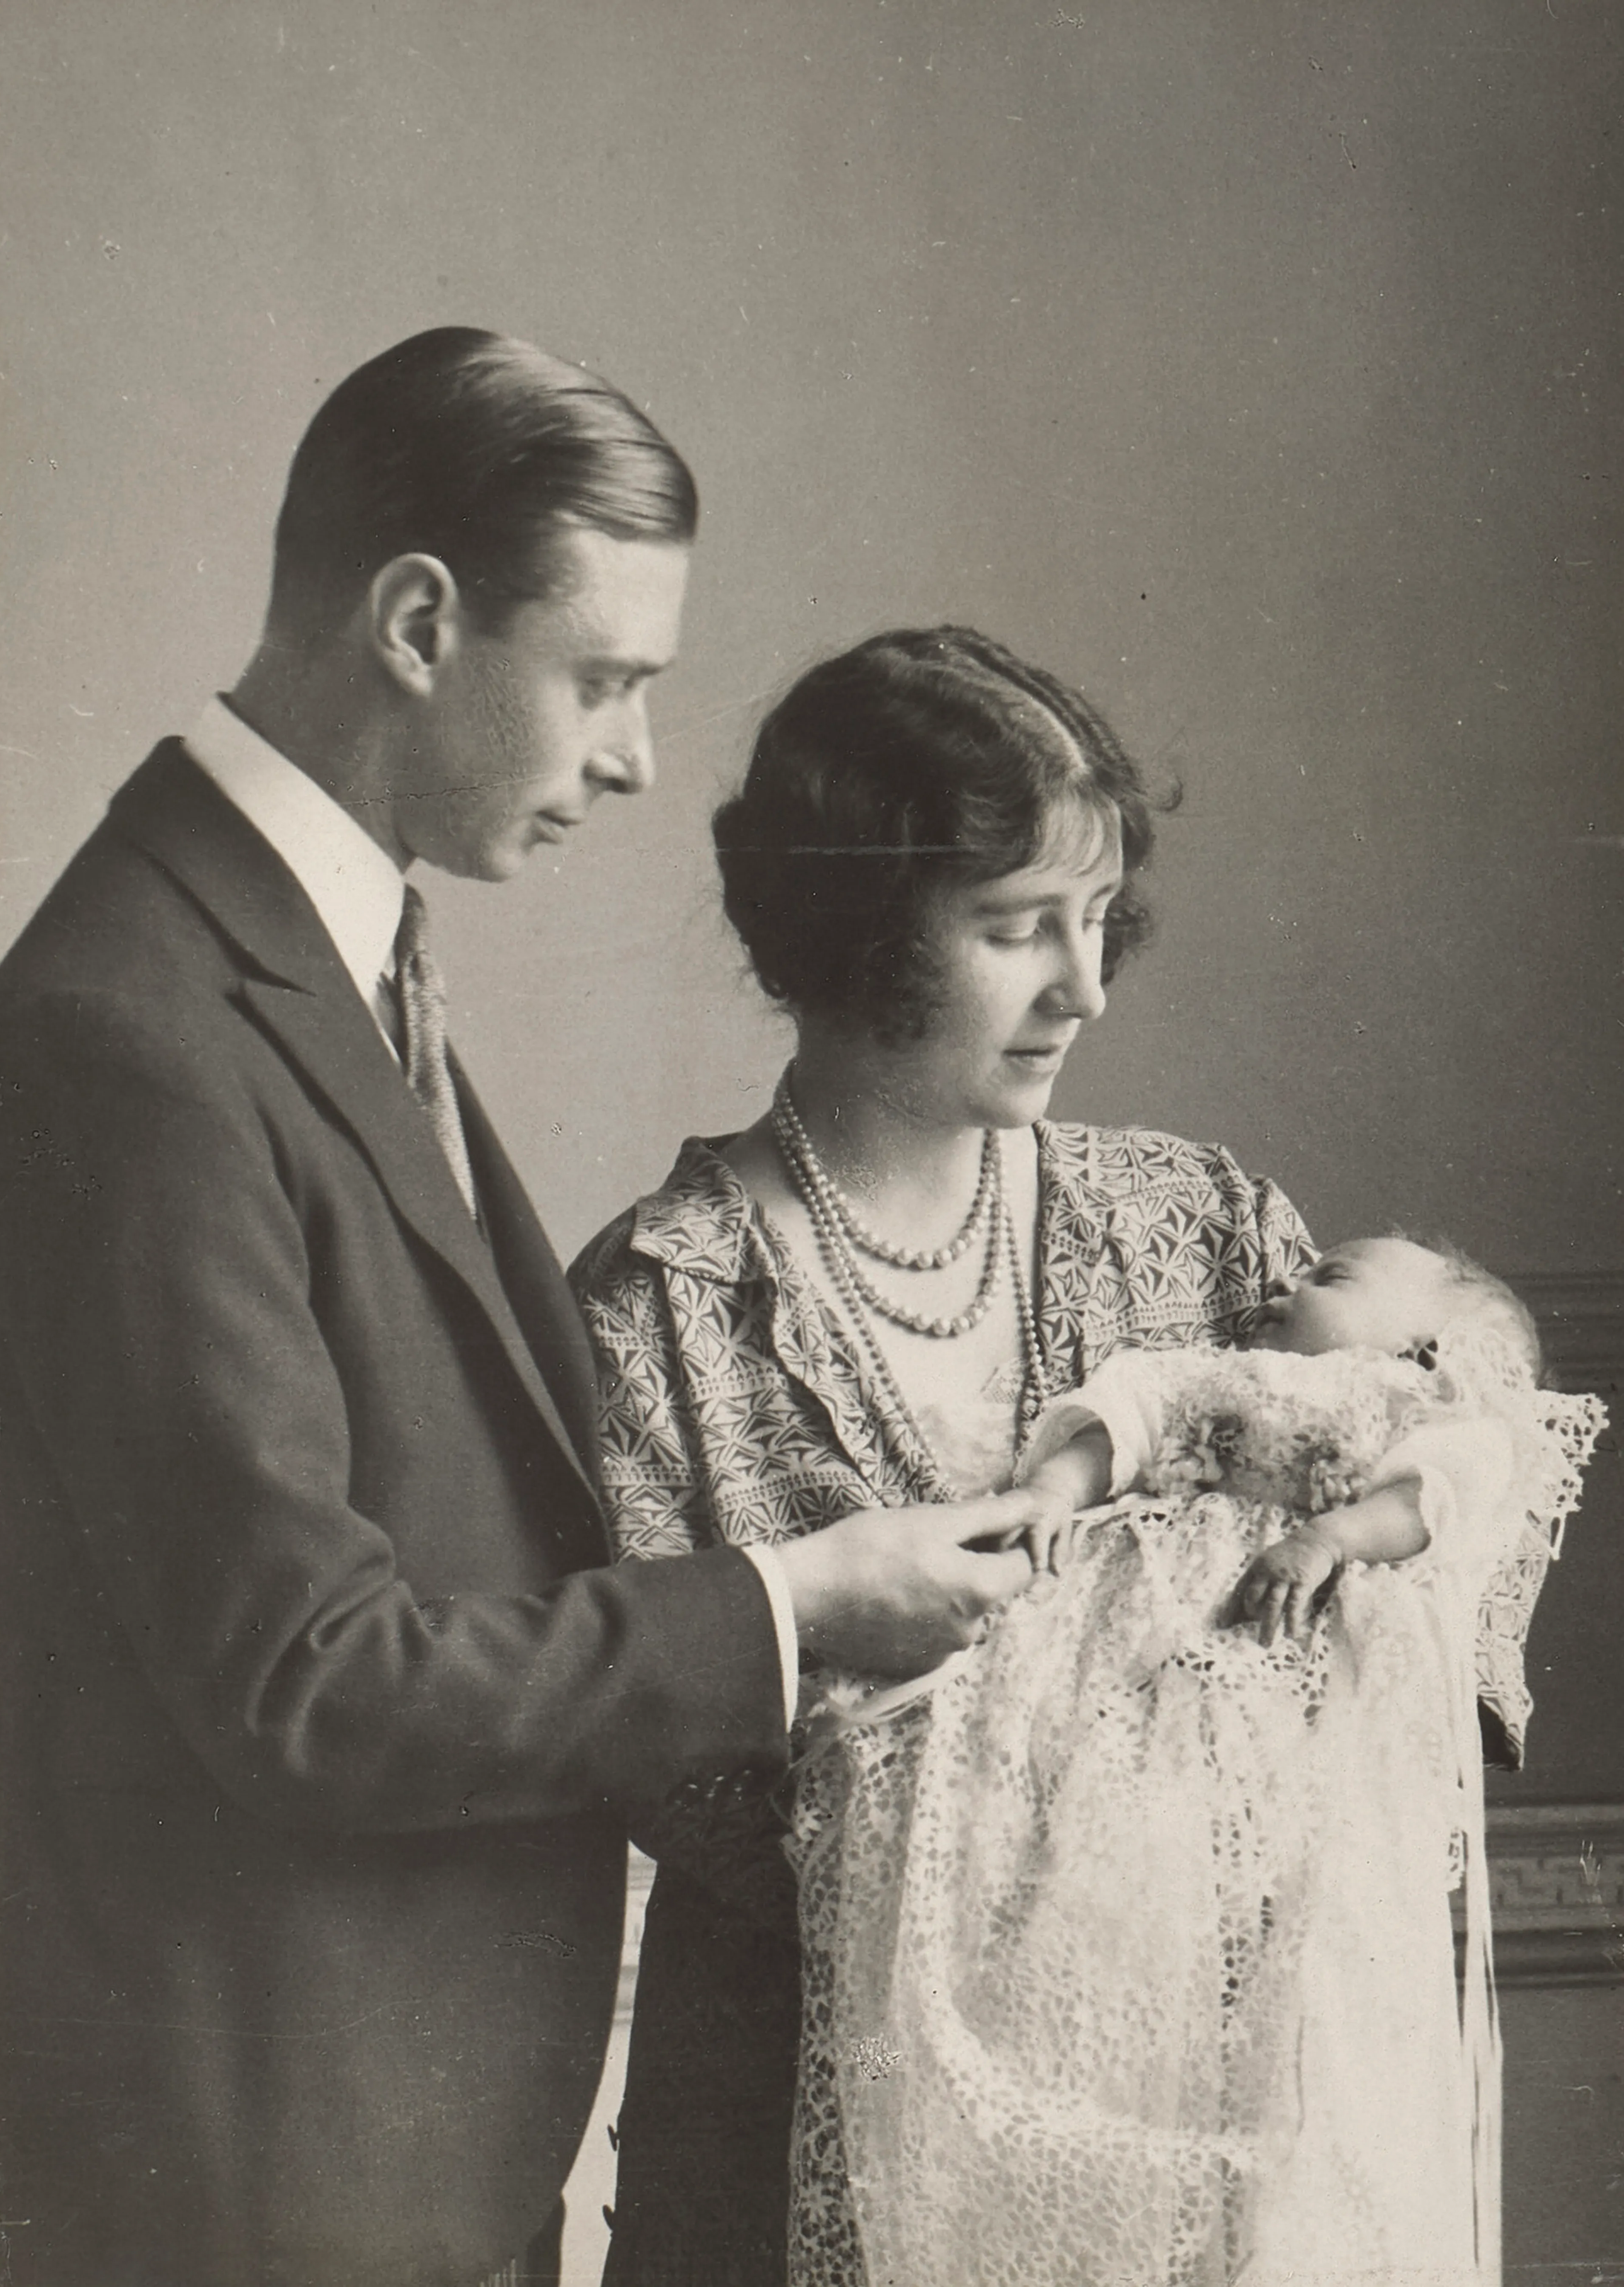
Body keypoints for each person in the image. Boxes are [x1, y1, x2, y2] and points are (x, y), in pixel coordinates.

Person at [0, 337, 1035, 2287]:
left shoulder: (311, 957)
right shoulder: (131, 1025)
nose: (634, 756)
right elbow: (306, 1679)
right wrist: (790, 1606)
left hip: (394, 2156)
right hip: (261, 2189)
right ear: (416, 623)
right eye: (605, 680)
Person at [571, 624, 1324, 2286]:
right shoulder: (658, 1312)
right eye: (1015, 926)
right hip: (794, 2152)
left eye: (1097, 915)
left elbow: (1401, 1613)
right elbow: (670, 1771)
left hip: (1175, 2148)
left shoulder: (1207, 1228)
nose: (1086, 985)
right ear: (856, 930)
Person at [791, 1237, 1605, 2286]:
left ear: (1428, 1350)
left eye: (1332, 1278)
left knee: (1245, 1972)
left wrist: (1329, 1540)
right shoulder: (1225, 1374)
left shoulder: (1423, 1412)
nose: (1282, 1281)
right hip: (1109, 1654)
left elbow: (1440, 1496)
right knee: (991, 1849)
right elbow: (1131, 1415)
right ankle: (923, 2060)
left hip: (1263, 1678)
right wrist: (1057, 1491)